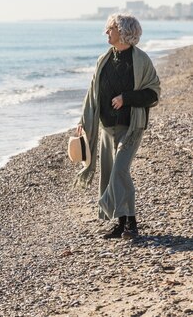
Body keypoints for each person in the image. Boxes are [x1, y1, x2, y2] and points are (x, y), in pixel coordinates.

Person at [75, 13, 160, 239]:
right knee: (111, 173)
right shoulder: (103, 59)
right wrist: (84, 120)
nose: (106, 32)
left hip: (131, 127)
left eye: (110, 28)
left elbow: (153, 93)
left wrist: (126, 98)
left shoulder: (141, 60)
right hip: (106, 127)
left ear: (122, 32)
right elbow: (92, 93)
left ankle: (128, 221)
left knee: (119, 171)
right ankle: (123, 224)